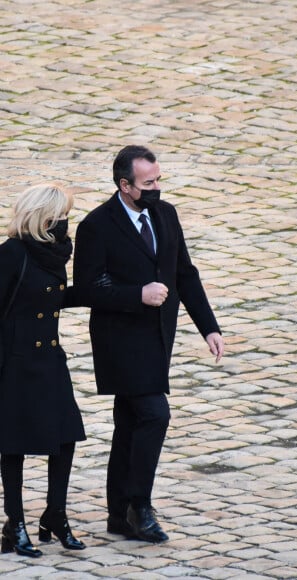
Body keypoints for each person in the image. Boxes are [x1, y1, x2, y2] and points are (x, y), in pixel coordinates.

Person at [73, 145, 224, 544]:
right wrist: (135, 294)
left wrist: (208, 327)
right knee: (155, 414)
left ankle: (118, 514)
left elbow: (184, 274)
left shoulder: (165, 213)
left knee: (131, 421)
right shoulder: (96, 226)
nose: (157, 188)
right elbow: (88, 288)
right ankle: (139, 505)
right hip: (119, 340)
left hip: (158, 337)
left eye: (158, 179)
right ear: (125, 185)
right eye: (148, 183)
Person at [0, 184, 86, 558]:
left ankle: (55, 514)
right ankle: (14, 523)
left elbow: (56, 297)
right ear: (41, 218)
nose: (65, 223)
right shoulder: (12, 255)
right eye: (60, 217)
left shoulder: (55, 254)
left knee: (65, 437)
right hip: (15, 363)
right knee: (13, 446)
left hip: (50, 358)